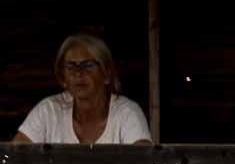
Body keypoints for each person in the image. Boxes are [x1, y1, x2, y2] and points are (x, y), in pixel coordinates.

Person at [13, 33, 151, 145]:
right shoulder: (49, 111)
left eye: (88, 65)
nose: (78, 73)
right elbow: (12, 158)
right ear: (63, 77)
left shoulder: (127, 113)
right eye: (71, 66)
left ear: (107, 74)